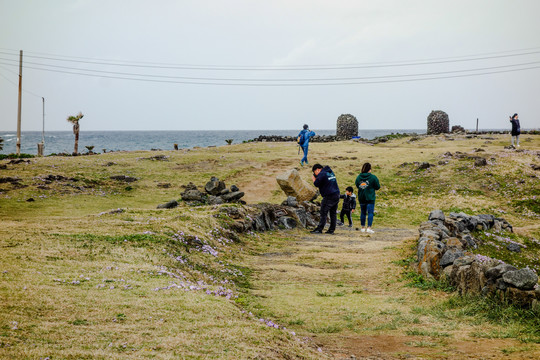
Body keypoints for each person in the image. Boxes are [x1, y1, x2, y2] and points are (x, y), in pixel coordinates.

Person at [311, 163, 340, 234]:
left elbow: (316, 184)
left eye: (314, 172)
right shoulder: (330, 172)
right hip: (336, 194)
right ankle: (331, 230)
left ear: (317, 170)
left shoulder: (322, 173)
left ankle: (319, 229)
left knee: (323, 212)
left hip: (329, 195)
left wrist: (314, 179)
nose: (315, 174)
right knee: (333, 213)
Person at [355, 162, 380, 234]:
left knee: (362, 212)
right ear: (369, 169)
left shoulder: (358, 177)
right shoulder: (373, 177)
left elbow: (357, 185)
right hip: (370, 198)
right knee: (370, 213)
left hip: (361, 197)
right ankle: (369, 228)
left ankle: (362, 227)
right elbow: (377, 187)